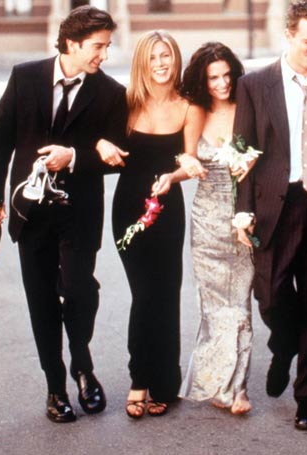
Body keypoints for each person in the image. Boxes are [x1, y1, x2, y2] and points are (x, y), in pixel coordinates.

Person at [0, 5, 126, 423]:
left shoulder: (111, 93)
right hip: (30, 213)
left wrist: (75, 156)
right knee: (42, 300)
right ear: (71, 43)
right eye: (98, 46)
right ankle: (55, 388)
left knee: (80, 290)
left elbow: (118, 156)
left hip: (79, 213)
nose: (104, 54)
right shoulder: (24, 77)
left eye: (107, 46)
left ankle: (82, 363)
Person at [233, 0, 307, 430]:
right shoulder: (255, 85)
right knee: (272, 295)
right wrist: (242, 211)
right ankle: (285, 344)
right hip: (276, 203)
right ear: (289, 35)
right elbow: (241, 150)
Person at [96, 30, 205, 419]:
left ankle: (165, 383)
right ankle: (139, 377)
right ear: (142, 62)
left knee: (166, 293)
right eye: (154, 57)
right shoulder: (124, 103)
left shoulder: (189, 107)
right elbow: (97, 140)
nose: (161, 64)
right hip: (128, 210)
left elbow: (190, 161)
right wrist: (100, 145)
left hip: (167, 208)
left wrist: (173, 176)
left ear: (176, 60)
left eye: (167, 56)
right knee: (144, 293)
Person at [177, 42, 254, 415]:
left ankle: (238, 389)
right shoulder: (196, 111)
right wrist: (178, 169)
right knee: (214, 305)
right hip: (206, 217)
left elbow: (266, 154)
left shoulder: (247, 107)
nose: (222, 83)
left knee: (240, 302)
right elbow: (188, 159)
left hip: (244, 216)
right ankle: (219, 384)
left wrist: (251, 164)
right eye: (213, 78)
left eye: (226, 75)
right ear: (202, 81)